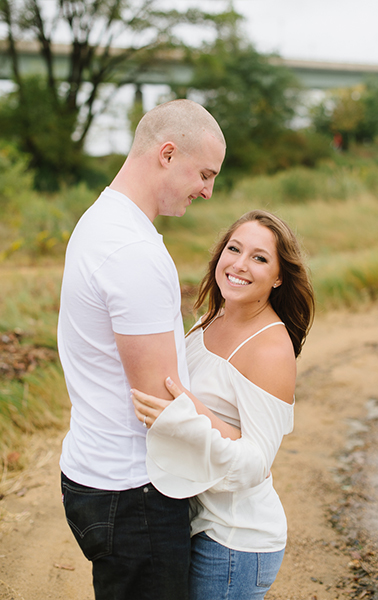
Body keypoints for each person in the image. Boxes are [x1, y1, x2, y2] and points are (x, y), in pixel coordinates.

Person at [57, 99, 227, 600]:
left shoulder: (102, 219)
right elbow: (162, 405)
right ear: (167, 154)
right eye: (204, 173)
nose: (207, 191)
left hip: (101, 473)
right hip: (134, 494)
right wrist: (242, 442)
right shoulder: (132, 250)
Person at [130, 210, 315, 599]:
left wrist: (187, 415)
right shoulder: (210, 319)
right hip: (196, 522)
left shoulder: (270, 349)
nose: (240, 264)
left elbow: (255, 464)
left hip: (234, 540)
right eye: (234, 248)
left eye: (260, 258)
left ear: (279, 276)